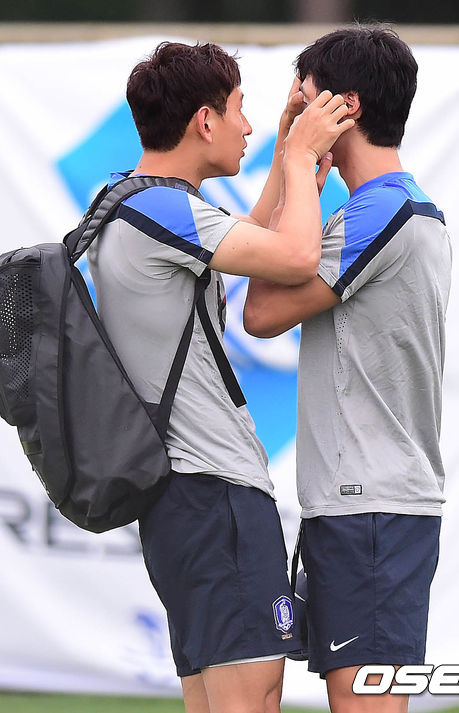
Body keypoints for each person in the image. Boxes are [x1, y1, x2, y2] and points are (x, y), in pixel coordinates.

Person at [88, 41, 353, 713]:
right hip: (213, 491)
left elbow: (249, 238)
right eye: (239, 109)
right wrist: (298, 158)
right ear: (205, 121)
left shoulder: (130, 202)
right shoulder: (162, 212)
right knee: (251, 699)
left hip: (184, 500)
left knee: (214, 699)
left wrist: (291, 152)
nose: (249, 127)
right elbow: (295, 256)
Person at [243, 25, 452, 713]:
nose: (294, 116)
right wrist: (293, 164)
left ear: (346, 107)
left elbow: (260, 311)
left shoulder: (378, 213)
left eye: (303, 99)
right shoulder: (393, 207)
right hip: (365, 505)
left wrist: (297, 164)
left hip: (371, 508)